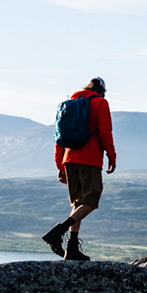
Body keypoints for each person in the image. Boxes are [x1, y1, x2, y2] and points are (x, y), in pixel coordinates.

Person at [44, 77, 116, 261]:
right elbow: (105, 132)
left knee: (78, 203)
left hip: (69, 158)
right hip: (89, 158)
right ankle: (58, 232)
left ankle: (72, 248)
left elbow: (58, 136)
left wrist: (60, 165)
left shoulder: (70, 104)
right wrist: (111, 156)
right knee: (90, 201)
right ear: (102, 91)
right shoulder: (100, 103)